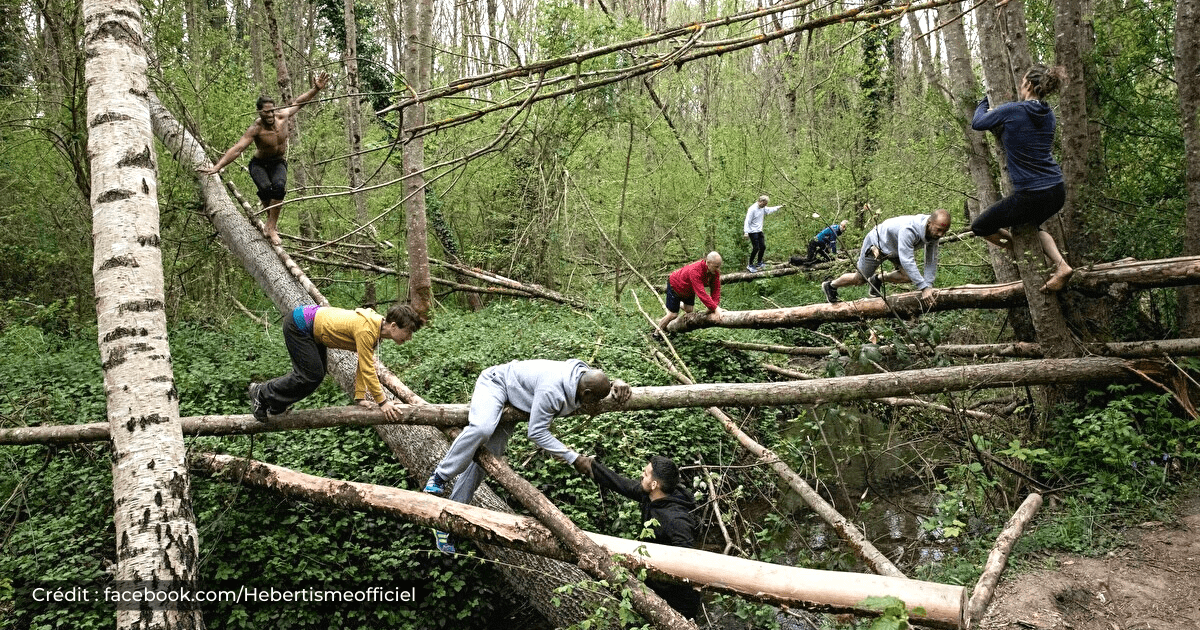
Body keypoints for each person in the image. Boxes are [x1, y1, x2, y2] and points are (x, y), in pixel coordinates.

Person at [424, 359, 632, 553]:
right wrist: (573, 458)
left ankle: (448, 520)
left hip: (516, 398)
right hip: (497, 383)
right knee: (481, 429)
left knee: (486, 460)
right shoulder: (552, 390)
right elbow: (537, 432)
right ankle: (440, 476)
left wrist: (616, 382)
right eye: (593, 400)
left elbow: (595, 379)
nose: (594, 405)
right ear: (585, 393)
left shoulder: (580, 372)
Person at [970, 64, 1074, 292]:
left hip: (1032, 194)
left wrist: (983, 102)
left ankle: (1020, 248)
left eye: (1022, 80)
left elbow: (978, 123)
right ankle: (1061, 265)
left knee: (980, 226)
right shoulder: (1049, 115)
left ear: (1027, 84)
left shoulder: (1013, 110)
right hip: (1056, 191)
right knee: (1033, 226)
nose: (1019, 84)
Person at [198, 72, 331, 245]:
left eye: (271, 112)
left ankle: (271, 227)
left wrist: (315, 89)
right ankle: (270, 223)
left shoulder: (282, 117)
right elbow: (238, 149)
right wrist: (217, 167)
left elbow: (299, 102)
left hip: (278, 162)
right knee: (266, 189)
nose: (269, 116)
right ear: (259, 112)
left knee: (279, 187)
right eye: (266, 113)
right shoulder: (256, 129)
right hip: (259, 164)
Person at [571, 454, 703, 619]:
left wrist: (696, 589)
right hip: (652, 581)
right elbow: (619, 483)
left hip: (677, 599)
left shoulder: (676, 520)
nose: (642, 474)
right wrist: (586, 464)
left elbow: (688, 560)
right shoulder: (652, 494)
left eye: (646, 473)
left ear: (654, 484)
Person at [248, 302, 423, 422]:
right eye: (408, 332)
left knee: (315, 376)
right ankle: (261, 393)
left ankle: (275, 404)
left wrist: (360, 397)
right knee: (310, 376)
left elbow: (363, 364)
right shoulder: (367, 330)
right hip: (300, 324)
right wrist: (383, 403)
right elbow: (368, 369)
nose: (409, 338)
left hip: (313, 329)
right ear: (393, 326)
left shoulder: (375, 332)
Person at [821, 209, 951, 304]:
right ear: (929, 223)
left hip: (895, 248)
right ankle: (831, 285)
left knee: (907, 276)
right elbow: (907, 260)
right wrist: (923, 288)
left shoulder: (933, 234)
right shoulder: (909, 229)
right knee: (860, 279)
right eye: (938, 229)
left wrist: (928, 285)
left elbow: (931, 260)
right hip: (876, 244)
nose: (940, 234)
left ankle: (877, 280)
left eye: (944, 232)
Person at [657, 252, 724, 332]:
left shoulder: (714, 272)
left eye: (719, 266)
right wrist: (715, 308)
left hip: (688, 289)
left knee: (689, 310)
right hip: (675, 285)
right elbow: (701, 293)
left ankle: (678, 305)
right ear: (708, 263)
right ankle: (656, 332)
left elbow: (716, 289)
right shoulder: (695, 270)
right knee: (673, 314)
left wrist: (714, 306)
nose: (718, 269)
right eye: (716, 266)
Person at [743, 195, 784, 272]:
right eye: (764, 204)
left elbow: (769, 210)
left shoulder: (763, 208)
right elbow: (747, 221)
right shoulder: (752, 209)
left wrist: (779, 207)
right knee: (756, 248)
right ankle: (750, 264)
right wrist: (746, 232)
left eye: (766, 204)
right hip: (752, 231)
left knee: (763, 247)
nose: (765, 206)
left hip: (759, 231)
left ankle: (759, 262)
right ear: (760, 201)